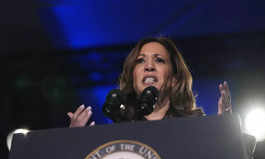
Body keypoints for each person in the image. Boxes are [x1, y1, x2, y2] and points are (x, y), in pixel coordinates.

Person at [67, 37, 232, 127]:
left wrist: (224, 132)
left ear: (175, 80)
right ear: (133, 79)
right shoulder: (118, 130)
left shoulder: (196, 126)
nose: (149, 66)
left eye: (159, 60)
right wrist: (76, 141)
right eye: (140, 61)